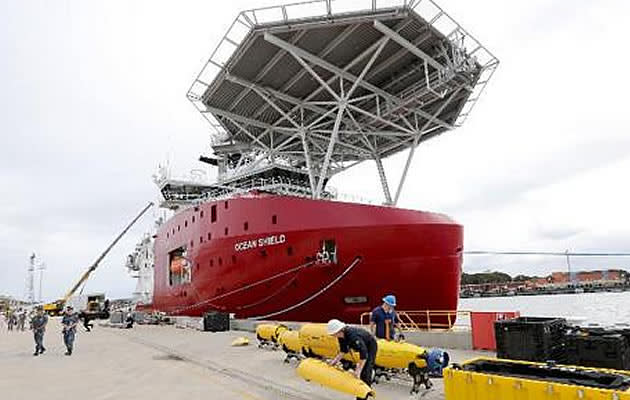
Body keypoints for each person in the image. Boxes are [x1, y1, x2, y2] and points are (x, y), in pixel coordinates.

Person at [327, 319, 377, 400]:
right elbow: (343, 351)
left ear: (339, 331)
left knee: (366, 370)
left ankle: (364, 394)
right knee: (359, 368)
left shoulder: (353, 336)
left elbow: (364, 354)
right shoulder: (341, 336)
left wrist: (358, 370)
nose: (333, 336)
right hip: (361, 347)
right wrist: (333, 362)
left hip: (370, 346)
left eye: (333, 334)